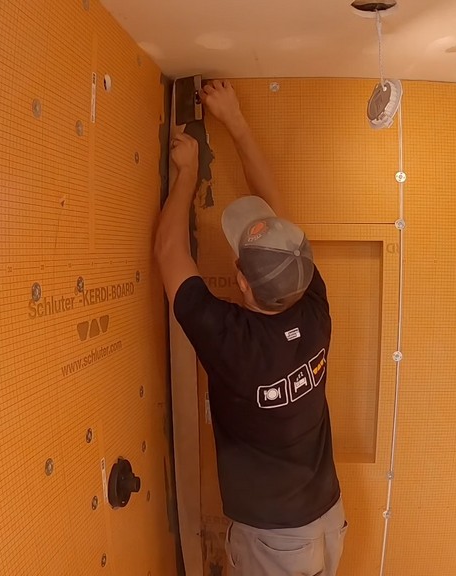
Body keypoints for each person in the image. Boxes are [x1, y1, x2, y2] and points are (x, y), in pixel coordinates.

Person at [154, 79, 346, 576]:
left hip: (277, 540)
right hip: (327, 518)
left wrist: (186, 175)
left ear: (240, 280)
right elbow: (278, 217)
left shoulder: (234, 343)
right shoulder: (313, 304)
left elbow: (169, 255)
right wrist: (235, 120)